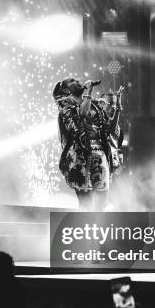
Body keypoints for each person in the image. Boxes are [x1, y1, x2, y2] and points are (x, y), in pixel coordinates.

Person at [53, 78, 120, 211]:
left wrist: (117, 108)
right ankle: (84, 229)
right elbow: (81, 116)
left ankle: (100, 230)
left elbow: (110, 129)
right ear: (66, 90)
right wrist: (89, 90)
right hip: (80, 157)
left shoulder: (94, 104)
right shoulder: (66, 107)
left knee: (102, 202)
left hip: (100, 155)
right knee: (86, 203)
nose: (77, 80)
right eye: (72, 81)